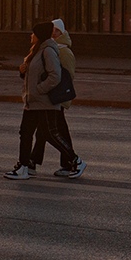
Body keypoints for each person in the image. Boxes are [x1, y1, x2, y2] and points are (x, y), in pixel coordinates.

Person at [9, 20, 74, 178]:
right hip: (34, 101)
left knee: (52, 133)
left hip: (48, 100)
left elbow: (60, 77)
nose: (31, 36)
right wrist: (23, 71)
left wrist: (40, 90)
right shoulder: (36, 50)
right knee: (31, 133)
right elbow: (33, 74)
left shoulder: (53, 51)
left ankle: (72, 160)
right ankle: (27, 164)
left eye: (34, 33)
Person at [45, 18, 86, 179]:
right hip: (53, 96)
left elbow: (67, 76)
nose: (53, 33)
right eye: (52, 30)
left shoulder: (64, 51)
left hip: (58, 97)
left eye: (56, 31)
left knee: (59, 130)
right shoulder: (54, 48)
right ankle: (32, 161)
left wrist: (60, 94)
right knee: (50, 130)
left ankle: (69, 162)